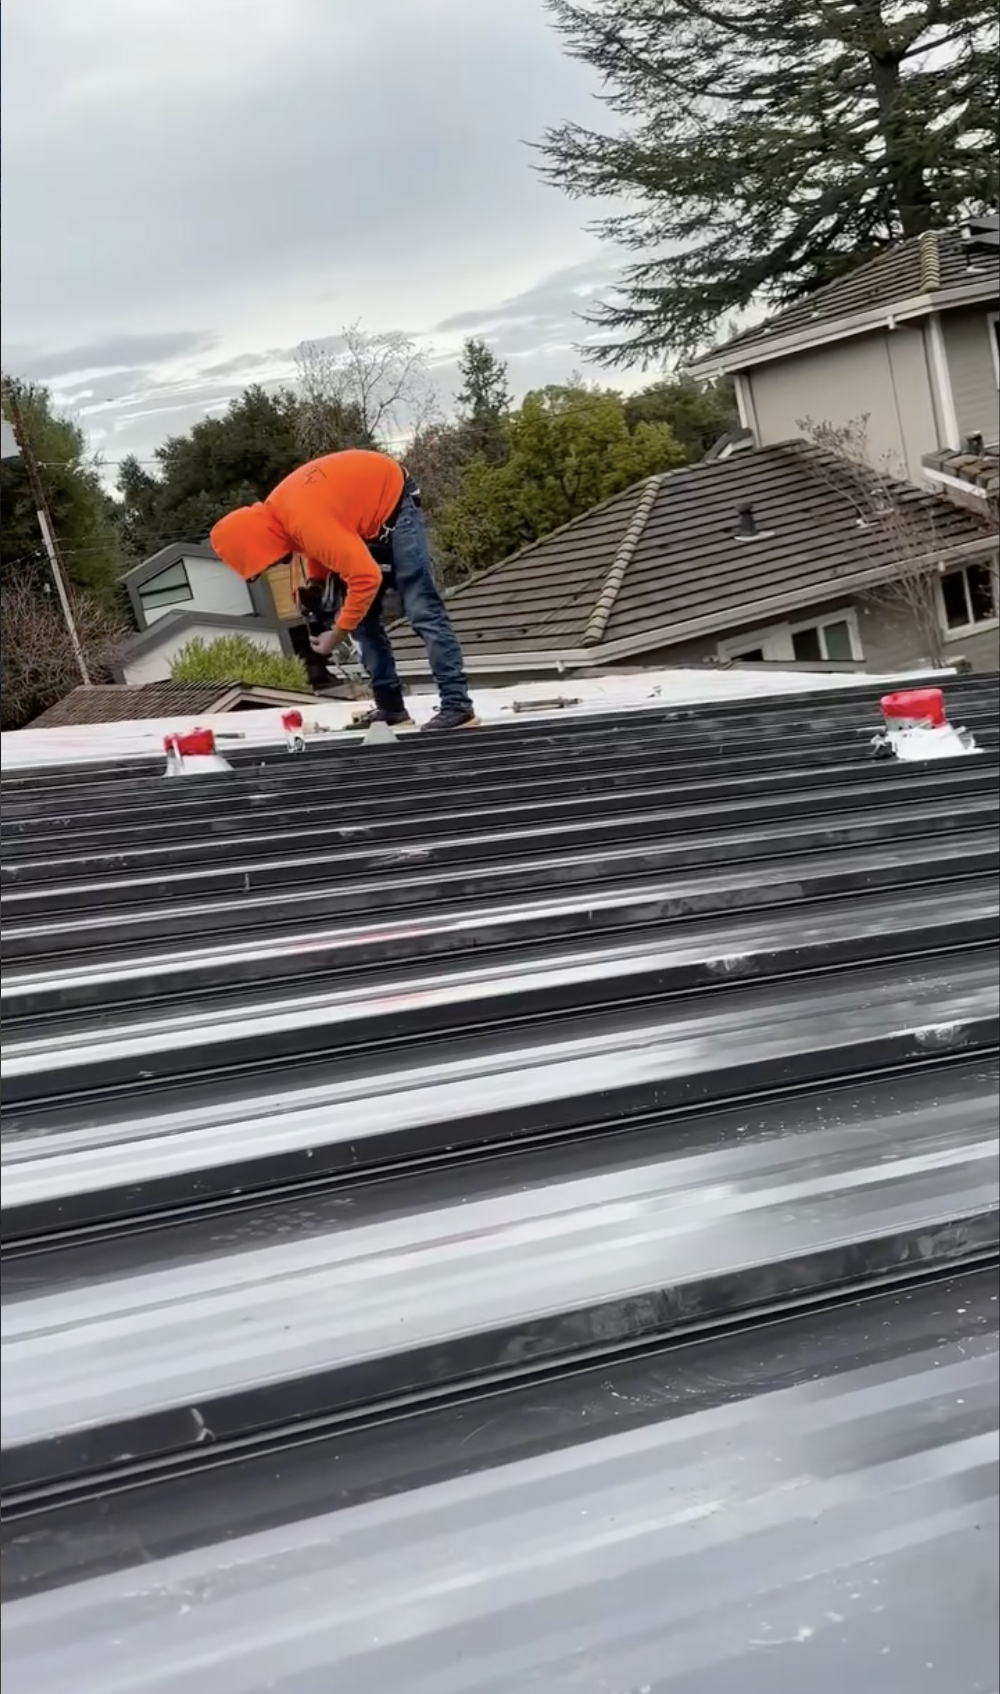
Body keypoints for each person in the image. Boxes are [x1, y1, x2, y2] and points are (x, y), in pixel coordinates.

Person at [210, 449, 477, 731]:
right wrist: (317, 583)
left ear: (260, 544)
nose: (275, 565)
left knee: (422, 609)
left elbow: (366, 576)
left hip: (395, 505)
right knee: (363, 620)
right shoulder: (279, 517)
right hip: (361, 517)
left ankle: (458, 706)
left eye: (268, 562)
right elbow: (316, 546)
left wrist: (336, 633)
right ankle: (392, 710)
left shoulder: (301, 518)